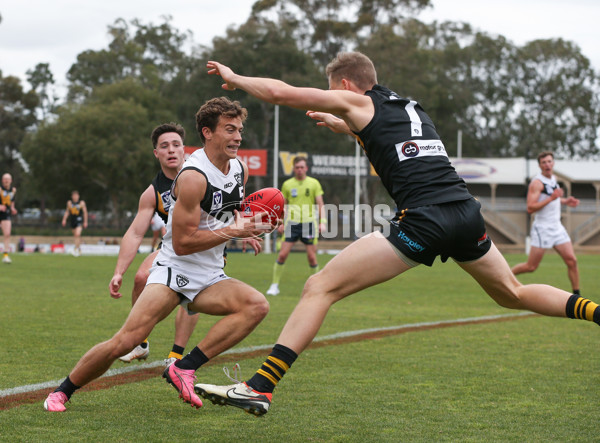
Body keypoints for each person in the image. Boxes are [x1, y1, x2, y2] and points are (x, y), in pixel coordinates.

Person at [194, 52, 600, 417]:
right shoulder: (411, 108)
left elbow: (282, 93)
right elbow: (383, 137)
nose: (336, 97)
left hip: (425, 220)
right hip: (465, 213)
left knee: (320, 286)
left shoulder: (357, 99)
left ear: (348, 85)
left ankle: (258, 387)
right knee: (511, 291)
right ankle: (597, 312)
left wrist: (238, 78)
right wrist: (345, 127)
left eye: (336, 92)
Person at [44, 96, 275, 412]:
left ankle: (184, 367)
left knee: (256, 306)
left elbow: (232, 209)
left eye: (239, 130)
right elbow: (182, 244)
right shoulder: (193, 177)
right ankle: (61, 391)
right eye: (229, 129)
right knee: (125, 341)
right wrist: (234, 232)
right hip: (174, 270)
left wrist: (242, 227)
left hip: (210, 275)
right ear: (207, 132)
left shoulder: (238, 168)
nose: (237, 137)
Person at [108, 122, 199, 365]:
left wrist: (246, 230)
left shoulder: (201, 174)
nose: (171, 150)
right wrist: (119, 272)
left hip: (204, 247)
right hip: (173, 246)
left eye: (176, 145)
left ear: (184, 150)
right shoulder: (152, 192)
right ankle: (140, 343)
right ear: (156, 153)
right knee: (140, 278)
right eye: (164, 146)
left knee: (191, 296)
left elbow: (229, 201)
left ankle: (176, 356)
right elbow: (135, 233)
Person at [511, 151, 581, 294]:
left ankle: (577, 295)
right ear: (540, 165)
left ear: (553, 163)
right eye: (544, 162)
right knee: (531, 267)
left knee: (572, 261)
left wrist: (565, 201)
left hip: (557, 228)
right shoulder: (537, 183)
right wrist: (552, 198)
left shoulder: (553, 179)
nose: (547, 165)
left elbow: (552, 198)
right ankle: (503, 279)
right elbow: (530, 207)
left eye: (549, 161)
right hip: (542, 229)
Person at [266, 156, 326, 296]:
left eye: (302, 167)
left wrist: (322, 222)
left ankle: (316, 287)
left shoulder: (314, 183)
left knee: (312, 257)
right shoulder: (287, 184)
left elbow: (320, 204)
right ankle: (274, 286)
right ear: (294, 169)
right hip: (291, 224)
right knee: (282, 255)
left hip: (309, 223)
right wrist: (279, 222)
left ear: (306, 168)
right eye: (297, 167)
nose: (299, 170)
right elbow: (282, 205)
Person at [61, 190, 88, 257]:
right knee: (76, 236)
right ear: (72, 196)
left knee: (77, 234)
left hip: (79, 220)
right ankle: (78, 248)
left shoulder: (81, 203)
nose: (75, 197)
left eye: (76, 195)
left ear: (78, 196)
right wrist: (64, 219)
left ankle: (76, 249)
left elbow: (85, 212)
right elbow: (67, 212)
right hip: (72, 221)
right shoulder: (69, 203)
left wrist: (85, 222)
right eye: (74, 195)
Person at [0, 173, 17, 263]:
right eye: (5, 179)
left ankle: (5, 255)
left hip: (5, 214)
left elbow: (12, 202)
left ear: (11, 180)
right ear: (2, 180)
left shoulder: (13, 190)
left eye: (8, 179)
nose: (6, 180)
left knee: (7, 234)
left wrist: (13, 209)